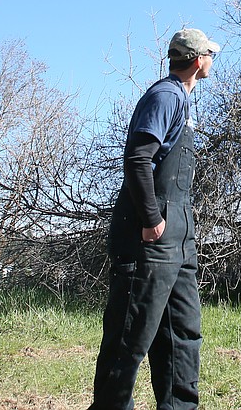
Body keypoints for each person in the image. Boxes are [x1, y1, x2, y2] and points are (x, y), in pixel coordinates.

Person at [90, 28, 220, 410]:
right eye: (210, 55)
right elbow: (137, 158)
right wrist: (150, 217)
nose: (212, 60)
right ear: (199, 61)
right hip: (149, 235)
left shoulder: (181, 99)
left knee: (183, 334)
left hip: (179, 238)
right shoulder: (165, 95)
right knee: (129, 339)